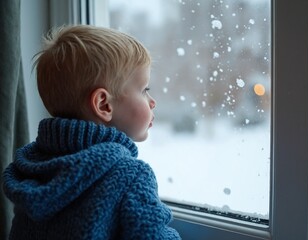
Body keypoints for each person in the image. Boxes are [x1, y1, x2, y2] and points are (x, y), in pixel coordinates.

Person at [2, 25, 181, 240]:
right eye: (144, 90)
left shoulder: (33, 167)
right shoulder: (129, 175)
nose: (153, 102)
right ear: (103, 104)